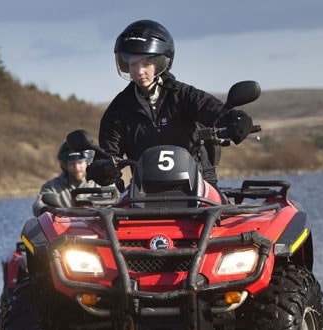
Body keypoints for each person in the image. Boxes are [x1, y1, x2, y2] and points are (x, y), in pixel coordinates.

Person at [88, 20, 254, 187]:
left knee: (217, 206)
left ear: (160, 63)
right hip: (143, 191)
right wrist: (103, 169)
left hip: (198, 185)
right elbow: (108, 153)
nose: (139, 71)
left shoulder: (183, 95)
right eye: (133, 64)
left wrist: (235, 119)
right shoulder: (118, 109)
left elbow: (213, 110)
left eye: (146, 64)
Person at [32, 142, 97, 216]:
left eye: (80, 162)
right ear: (64, 165)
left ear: (88, 162)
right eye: (72, 163)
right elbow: (38, 204)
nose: (76, 167)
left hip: (98, 225)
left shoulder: (102, 184)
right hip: (64, 225)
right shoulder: (51, 186)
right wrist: (47, 209)